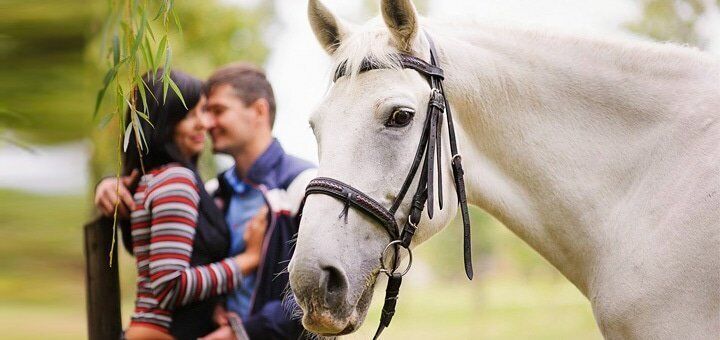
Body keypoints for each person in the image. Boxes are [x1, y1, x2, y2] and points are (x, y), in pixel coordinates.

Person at [95, 63, 315, 339]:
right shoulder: (212, 192)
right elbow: (164, 264)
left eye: (217, 110)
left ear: (259, 111)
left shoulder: (304, 187)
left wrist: (241, 334)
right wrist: (109, 185)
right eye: (200, 111)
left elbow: (318, 293)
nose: (207, 123)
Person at [116, 69, 267, 340]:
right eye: (190, 115)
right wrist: (248, 260)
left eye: (204, 111)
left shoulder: (158, 178)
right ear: (164, 123)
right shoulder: (176, 179)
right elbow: (168, 285)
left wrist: (211, 309)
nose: (204, 123)